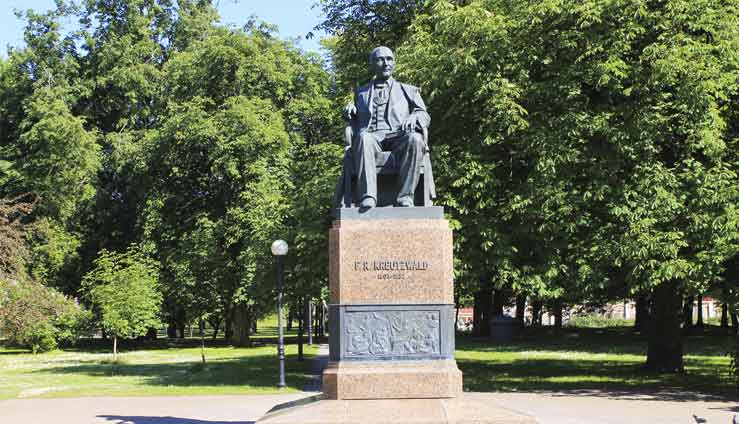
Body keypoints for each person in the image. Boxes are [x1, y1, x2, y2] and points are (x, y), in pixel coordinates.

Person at [344, 46, 431, 209]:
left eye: (389, 59)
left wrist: (414, 116)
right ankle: (368, 196)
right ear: (372, 64)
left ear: (394, 62)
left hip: (399, 136)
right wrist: (350, 111)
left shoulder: (409, 90)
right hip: (373, 137)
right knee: (363, 137)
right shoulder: (361, 93)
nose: (386, 63)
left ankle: (405, 197)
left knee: (416, 138)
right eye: (380, 59)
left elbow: (424, 114)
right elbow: (355, 121)